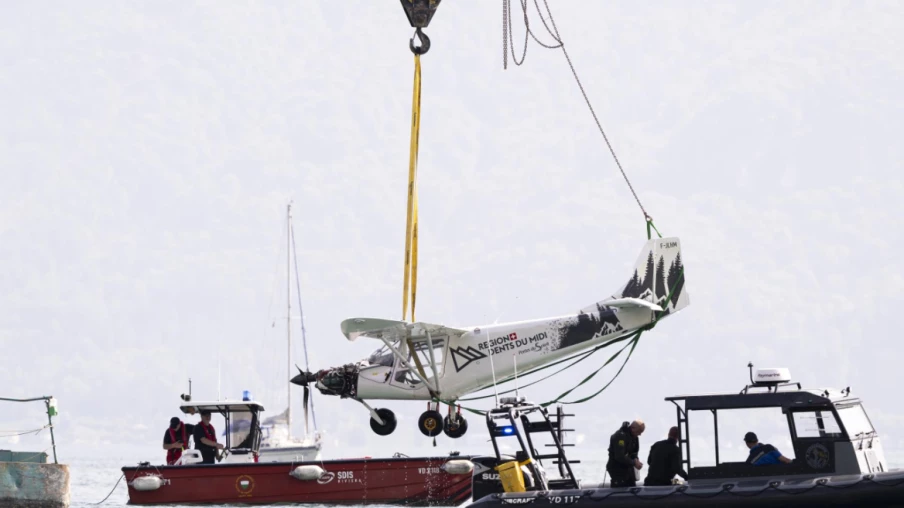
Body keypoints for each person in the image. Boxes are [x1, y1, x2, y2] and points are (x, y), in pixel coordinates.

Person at [606, 419, 645, 487]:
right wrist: (633, 462)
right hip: (617, 470)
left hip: (628, 470)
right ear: (632, 428)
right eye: (639, 432)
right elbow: (619, 456)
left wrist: (636, 460)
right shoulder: (620, 436)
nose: (640, 434)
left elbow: (634, 453)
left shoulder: (635, 437)